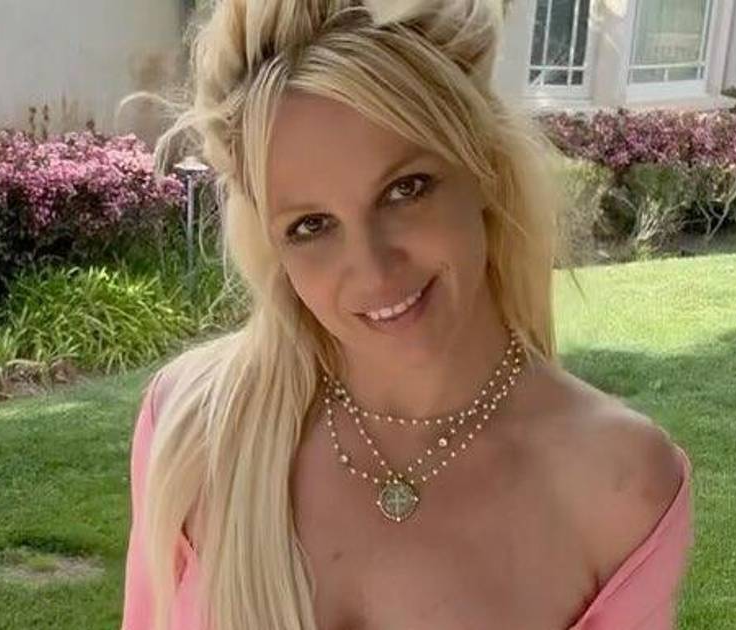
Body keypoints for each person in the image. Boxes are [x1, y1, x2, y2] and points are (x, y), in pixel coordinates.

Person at [121, 1, 694, 628]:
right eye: (311, 225)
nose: (372, 270)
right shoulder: (192, 428)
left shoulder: (619, 487)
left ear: (483, 167)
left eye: (405, 189)